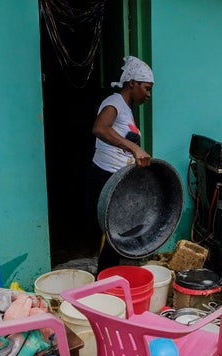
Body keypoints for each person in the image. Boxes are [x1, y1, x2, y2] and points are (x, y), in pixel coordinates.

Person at [83, 56, 154, 274]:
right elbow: (100, 128)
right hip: (103, 178)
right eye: (146, 88)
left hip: (115, 179)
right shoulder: (114, 102)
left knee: (116, 235)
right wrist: (134, 148)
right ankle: (103, 284)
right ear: (132, 83)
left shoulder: (126, 108)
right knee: (111, 235)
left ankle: (108, 279)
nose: (148, 95)